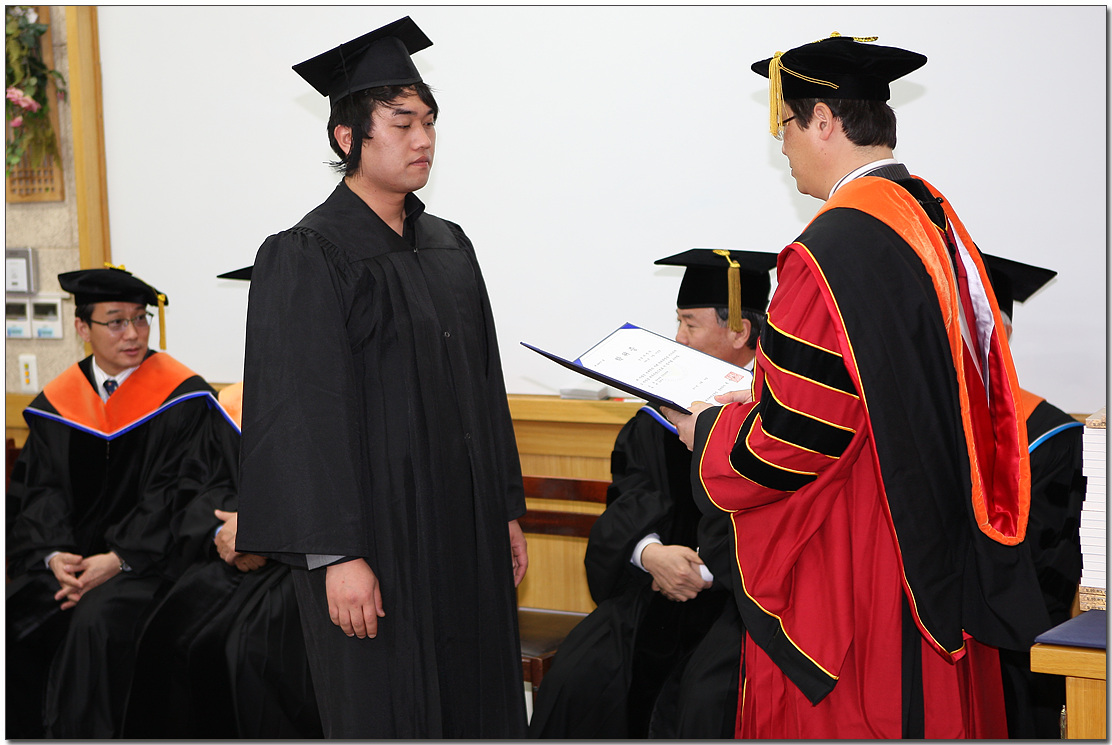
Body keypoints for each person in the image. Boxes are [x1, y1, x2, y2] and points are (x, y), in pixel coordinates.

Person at [666, 34, 1049, 738]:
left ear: (823, 121)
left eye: (785, 125)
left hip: (868, 547)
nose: (783, 147)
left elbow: (798, 437)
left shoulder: (832, 248)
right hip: (935, 526)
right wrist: (766, 395)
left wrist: (709, 432)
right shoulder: (930, 217)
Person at [234, 16, 529, 738]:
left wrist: (503, 510)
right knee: (389, 710)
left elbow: (483, 390)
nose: (423, 138)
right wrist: (336, 556)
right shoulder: (306, 254)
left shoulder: (449, 245)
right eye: (401, 123)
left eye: (429, 121)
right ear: (347, 138)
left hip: (464, 533)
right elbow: (299, 419)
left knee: (475, 703)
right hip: (375, 541)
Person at [529, 249, 775, 739]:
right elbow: (630, 497)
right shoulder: (659, 417)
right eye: (677, 322)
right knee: (580, 675)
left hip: (745, 604)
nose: (677, 337)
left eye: (689, 324)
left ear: (740, 331)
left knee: (705, 698)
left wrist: (707, 571)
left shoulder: (778, 419)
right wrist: (650, 554)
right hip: (654, 590)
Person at [6, 265, 241, 738]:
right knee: (17, 611)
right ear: (82, 328)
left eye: (140, 318)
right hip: (72, 565)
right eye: (115, 322)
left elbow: (181, 491)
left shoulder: (183, 398)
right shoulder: (57, 403)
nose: (133, 334)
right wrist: (55, 557)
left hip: (151, 563)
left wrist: (119, 559)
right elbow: (41, 490)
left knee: (98, 620)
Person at [121, 371, 321, 739]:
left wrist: (257, 528)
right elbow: (200, 487)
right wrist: (225, 533)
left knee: (242, 651)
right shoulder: (232, 405)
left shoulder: (342, 400)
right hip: (231, 557)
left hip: (305, 564)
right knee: (163, 634)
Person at [982, 254, 1085, 739]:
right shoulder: (919, 426)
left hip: (1014, 658)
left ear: (1001, 336)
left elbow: (1049, 577)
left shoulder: (1050, 435)